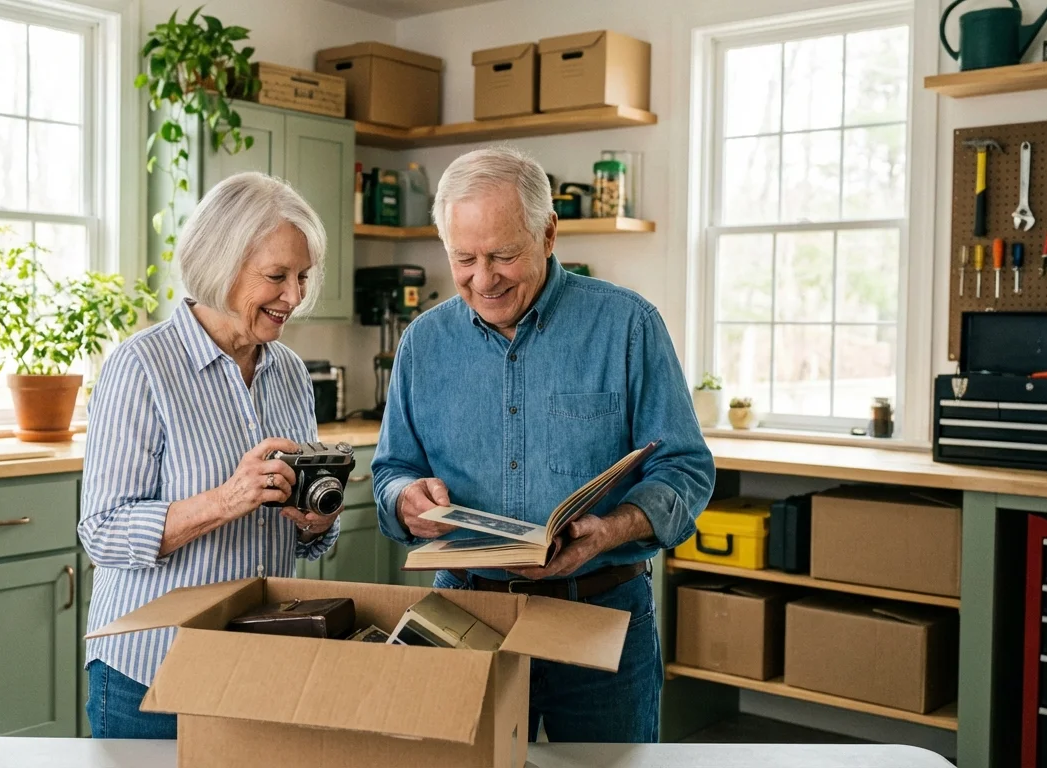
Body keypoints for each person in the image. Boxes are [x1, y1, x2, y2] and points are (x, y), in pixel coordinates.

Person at [371, 146, 715, 743]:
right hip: (464, 614)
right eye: (465, 258)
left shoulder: (628, 326)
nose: (484, 279)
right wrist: (404, 498)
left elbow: (685, 469)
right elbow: (391, 470)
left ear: (548, 233)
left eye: (504, 255)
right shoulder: (422, 343)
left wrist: (613, 528)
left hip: (601, 614)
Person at [79, 171, 342, 739]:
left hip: (262, 668)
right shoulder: (142, 367)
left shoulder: (291, 373)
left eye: (302, 276)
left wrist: (314, 521)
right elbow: (101, 531)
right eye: (276, 276)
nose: (294, 296)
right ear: (222, 264)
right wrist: (226, 499)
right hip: (149, 672)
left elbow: (305, 538)